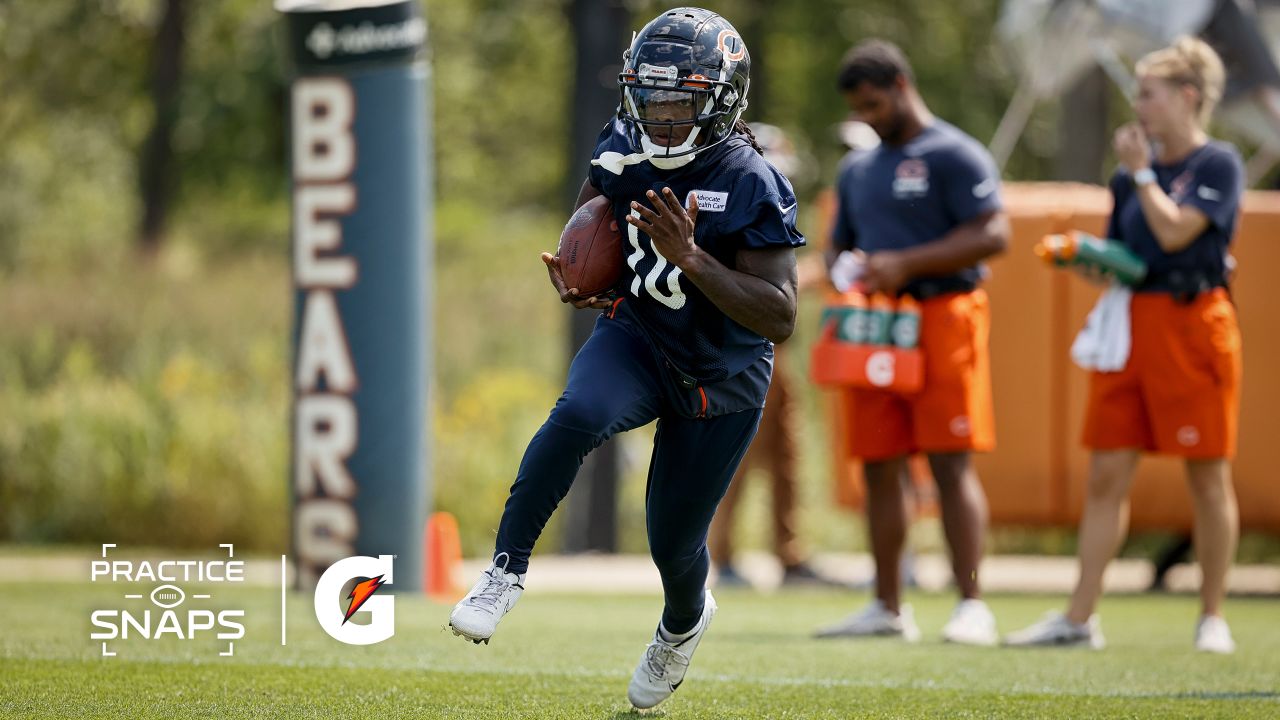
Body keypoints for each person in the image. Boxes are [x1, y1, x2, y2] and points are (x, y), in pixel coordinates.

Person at [448, 7, 804, 710]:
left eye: (680, 104)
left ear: (722, 100)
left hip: (722, 372)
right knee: (578, 411)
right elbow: (594, 211)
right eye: (652, 100)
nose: (663, 118)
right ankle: (504, 570)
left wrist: (692, 258)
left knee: (672, 542)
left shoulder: (751, 179)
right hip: (638, 336)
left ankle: (681, 624)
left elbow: (781, 315)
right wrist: (586, 275)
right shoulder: (621, 144)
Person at [1005, 37, 1244, 654]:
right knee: (1107, 472)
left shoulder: (1217, 164)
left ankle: (1211, 617)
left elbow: (1173, 232)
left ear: (1188, 97)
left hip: (1193, 327)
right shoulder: (1126, 175)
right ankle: (1080, 617)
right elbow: (1133, 259)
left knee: (1207, 475)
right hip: (1131, 326)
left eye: (1148, 93)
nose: (1137, 105)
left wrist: (1141, 173)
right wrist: (1086, 258)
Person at [814, 40, 1009, 646]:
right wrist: (846, 267)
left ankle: (972, 603)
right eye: (858, 109)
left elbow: (994, 233)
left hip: (944, 314)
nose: (868, 118)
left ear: (901, 84)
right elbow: (837, 244)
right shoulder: (858, 168)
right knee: (877, 464)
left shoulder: (953, 153)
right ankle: (887, 604)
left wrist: (906, 262)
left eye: (874, 103)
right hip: (874, 327)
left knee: (950, 461)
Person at [708, 122, 844, 589]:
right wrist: (813, 273)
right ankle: (719, 557)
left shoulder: (770, 203)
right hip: (734, 351)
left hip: (774, 355)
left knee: (787, 456)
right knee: (735, 454)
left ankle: (790, 556)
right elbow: (746, 278)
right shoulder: (727, 203)